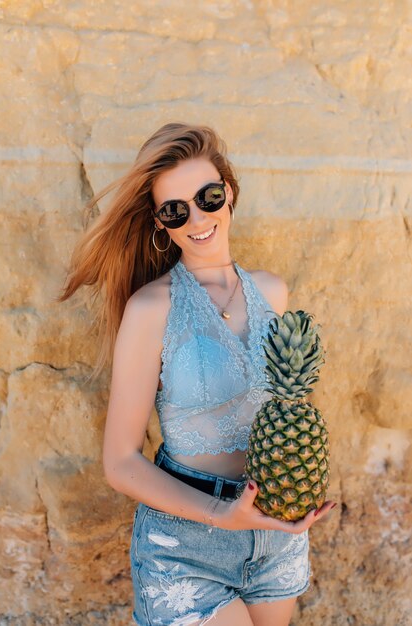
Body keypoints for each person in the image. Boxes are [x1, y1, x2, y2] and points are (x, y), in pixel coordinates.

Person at [58, 122, 336, 626]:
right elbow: (119, 462)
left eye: (208, 197)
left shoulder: (273, 293)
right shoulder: (151, 308)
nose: (197, 218)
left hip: (276, 531)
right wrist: (219, 515)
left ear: (227, 193)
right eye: (175, 210)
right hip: (186, 546)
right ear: (161, 224)